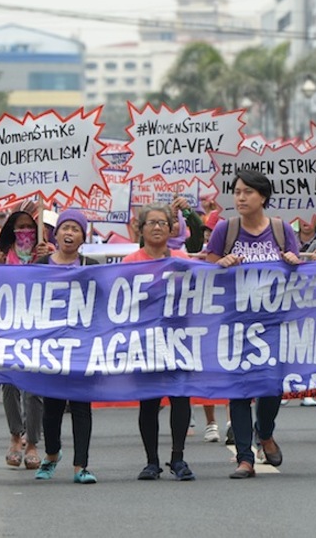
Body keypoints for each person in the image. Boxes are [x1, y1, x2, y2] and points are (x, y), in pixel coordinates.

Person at [204, 168, 301, 479]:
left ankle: (266, 432)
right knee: (240, 390)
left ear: (263, 197)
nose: (241, 197)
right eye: (237, 192)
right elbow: (207, 270)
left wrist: (292, 263)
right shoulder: (225, 229)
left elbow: (299, 273)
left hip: (273, 324)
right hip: (235, 324)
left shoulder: (281, 230)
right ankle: (245, 458)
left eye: (247, 192)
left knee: (271, 386)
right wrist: (220, 264)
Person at [124, 204, 196, 481]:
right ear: (140, 230)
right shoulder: (131, 262)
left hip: (179, 338)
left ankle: (178, 458)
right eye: (151, 223)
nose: (157, 227)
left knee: (180, 396)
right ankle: (151, 461)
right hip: (145, 341)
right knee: (149, 402)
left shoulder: (181, 258)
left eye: (163, 223)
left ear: (171, 229)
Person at [35, 209, 98, 484]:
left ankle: (80, 466)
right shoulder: (41, 264)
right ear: (56, 233)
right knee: (52, 407)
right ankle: (51, 455)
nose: (69, 233)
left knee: (82, 406)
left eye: (76, 229)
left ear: (83, 236)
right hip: (51, 346)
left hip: (83, 346)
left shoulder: (92, 265)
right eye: (65, 228)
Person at [0, 210, 49, 471]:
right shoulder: (2, 257)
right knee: (10, 385)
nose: (25, 231)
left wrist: (49, 259)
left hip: (37, 328)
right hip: (8, 328)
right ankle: (16, 435)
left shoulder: (46, 253)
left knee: (34, 389)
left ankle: (33, 442)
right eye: (20, 227)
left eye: (30, 227)